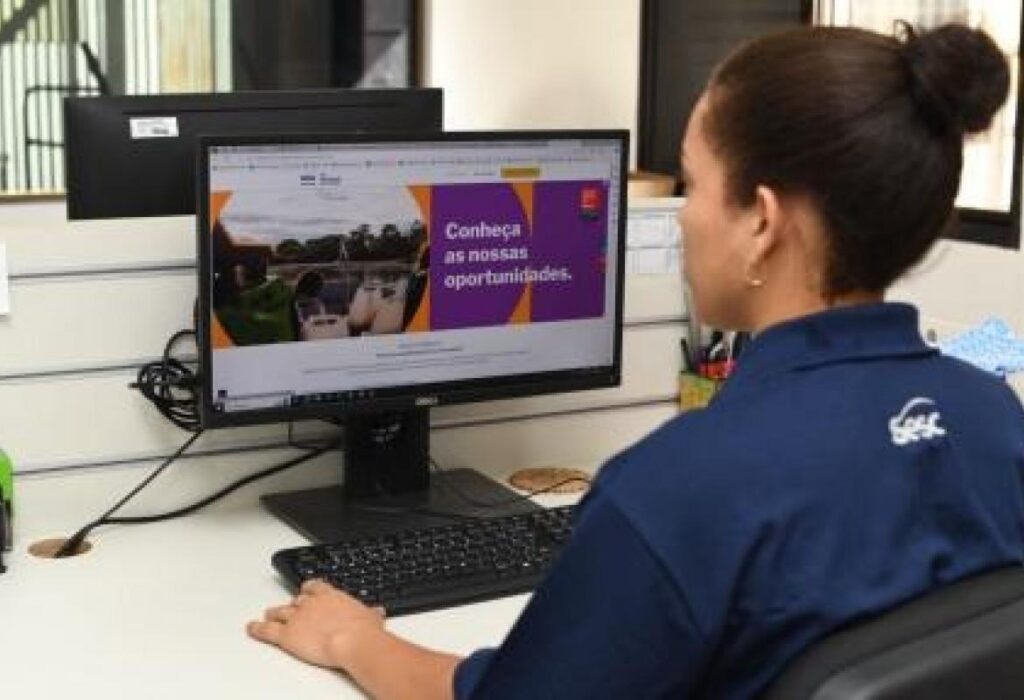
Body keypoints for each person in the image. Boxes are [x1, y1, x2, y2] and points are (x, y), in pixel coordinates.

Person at [247, 22, 1024, 699]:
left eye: (694, 183)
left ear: (761, 221)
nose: (681, 216)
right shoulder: (995, 417)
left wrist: (356, 641)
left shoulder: (681, 486)